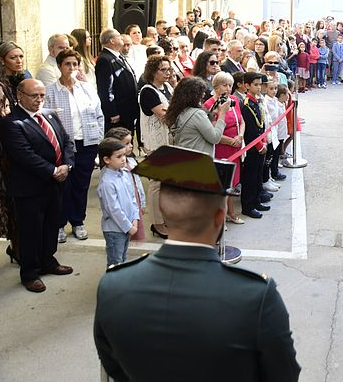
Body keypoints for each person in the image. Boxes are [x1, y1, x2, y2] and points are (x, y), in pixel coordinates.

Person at [93, 146, 300, 381]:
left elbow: (114, 367)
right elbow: (283, 375)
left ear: (162, 209)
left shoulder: (113, 286)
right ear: (220, 217)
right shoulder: (256, 297)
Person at [0, 79, 75, 293]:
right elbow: (23, 155)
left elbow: (66, 141)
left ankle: (48, 261)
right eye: (34, 96)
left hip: (55, 184)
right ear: (19, 95)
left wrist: (67, 165)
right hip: (30, 187)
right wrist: (53, 171)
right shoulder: (11, 122)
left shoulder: (49, 114)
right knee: (30, 231)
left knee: (51, 225)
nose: (39, 100)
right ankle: (30, 273)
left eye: (42, 95)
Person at [44, 48, 104, 243]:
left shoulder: (86, 88)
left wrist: (98, 139)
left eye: (74, 64)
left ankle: (78, 221)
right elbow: (46, 120)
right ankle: (60, 224)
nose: (71, 68)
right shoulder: (51, 91)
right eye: (67, 64)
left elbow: (98, 114)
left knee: (81, 184)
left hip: (86, 143)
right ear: (59, 66)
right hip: (63, 147)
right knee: (63, 186)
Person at [0, 42, 29, 260]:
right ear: (2, 60)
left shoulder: (23, 82)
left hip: (28, 142)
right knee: (12, 197)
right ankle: (16, 247)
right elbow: (6, 119)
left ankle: (28, 246)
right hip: (8, 148)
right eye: (14, 57)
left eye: (21, 56)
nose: (19, 60)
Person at [138, 55, 174, 238]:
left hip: (168, 142)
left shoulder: (167, 87)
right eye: (164, 69)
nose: (168, 72)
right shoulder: (148, 91)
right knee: (157, 184)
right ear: (153, 71)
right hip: (155, 143)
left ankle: (165, 217)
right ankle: (157, 223)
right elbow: (165, 116)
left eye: (169, 69)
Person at [203, 72, 245, 224]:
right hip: (221, 147)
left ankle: (231, 213)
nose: (228, 89)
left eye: (230, 85)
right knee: (221, 184)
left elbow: (241, 121)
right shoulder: (208, 105)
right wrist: (229, 141)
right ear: (215, 87)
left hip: (236, 146)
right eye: (224, 85)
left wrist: (240, 136)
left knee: (232, 183)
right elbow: (212, 131)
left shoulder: (233, 100)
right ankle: (219, 217)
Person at [96, 137, 140, 267]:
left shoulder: (124, 173)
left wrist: (135, 218)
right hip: (115, 230)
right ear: (106, 159)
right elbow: (113, 209)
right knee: (116, 262)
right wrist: (128, 226)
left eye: (124, 155)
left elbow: (132, 197)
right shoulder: (107, 182)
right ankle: (113, 285)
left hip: (128, 226)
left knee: (123, 258)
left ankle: (119, 283)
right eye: (119, 156)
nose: (123, 159)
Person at [165, 76, 229, 158]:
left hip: (185, 159)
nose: (204, 94)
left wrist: (211, 114)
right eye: (202, 92)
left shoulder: (178, 111)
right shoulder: (197, 114)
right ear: (195, 95)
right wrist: (222, 113)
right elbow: (215, 138)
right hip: (199, 161)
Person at [96, 29, 140, 134]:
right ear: (112, 41)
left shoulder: (118, 56)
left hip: (128, 109)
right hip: (119, 112)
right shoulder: (105, 59)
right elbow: (106, 89)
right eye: (119, 36)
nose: (122, 38)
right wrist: (112, 112)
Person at [240, 72, 271, 218]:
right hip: (252, 147)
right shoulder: (246, 105)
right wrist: (259, 146)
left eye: (260, 85)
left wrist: (264, 142)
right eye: (255, 85)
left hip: (260, 144)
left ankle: (257, 200)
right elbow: (251, 130)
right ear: (247, 86)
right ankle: (248, 205)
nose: (259, 88)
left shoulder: (256, 101)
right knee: (250, 177)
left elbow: (262, 125)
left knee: (258, 174)